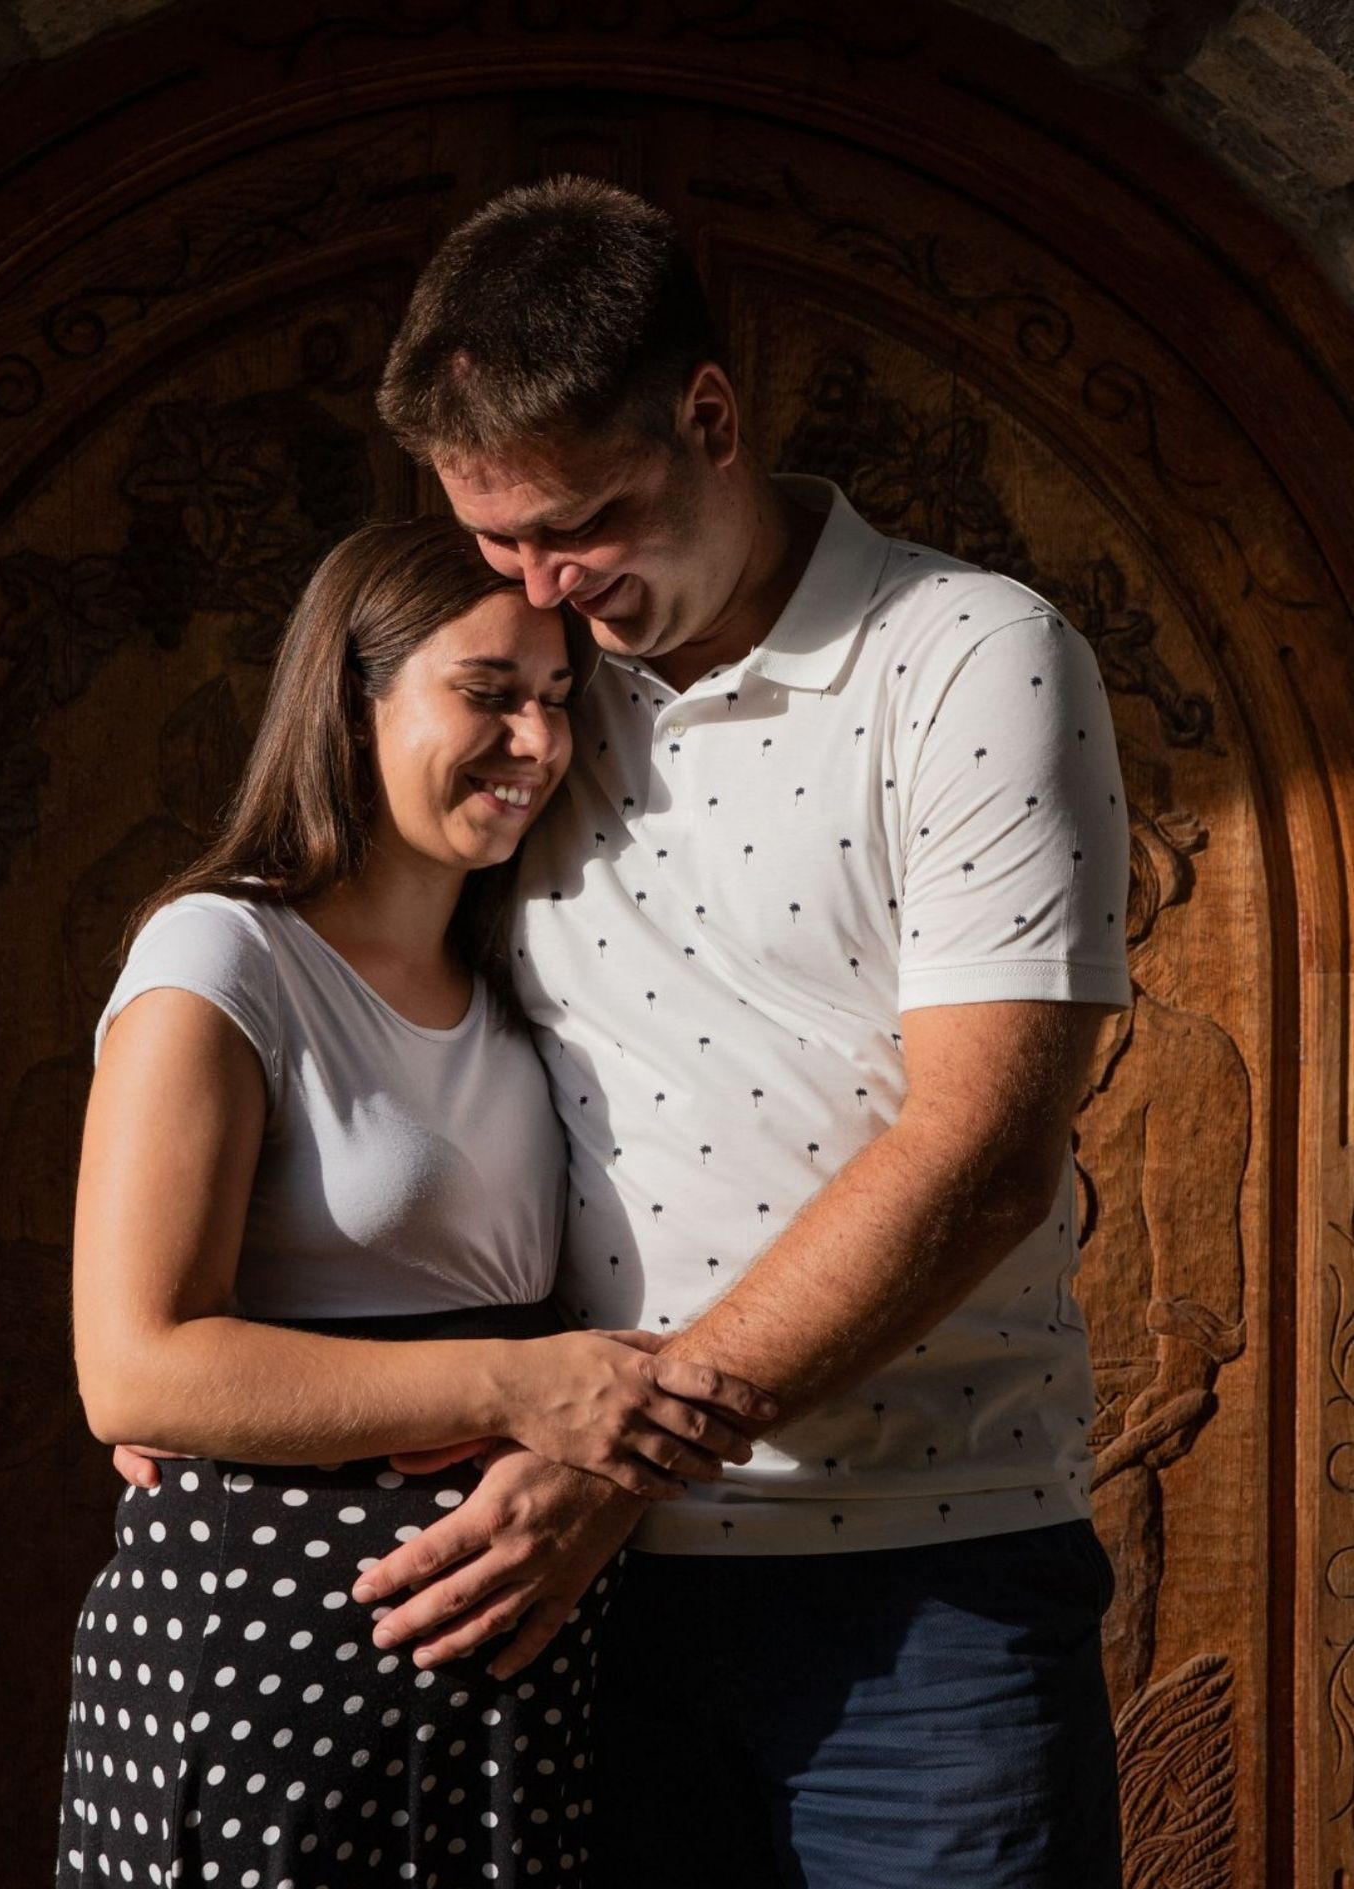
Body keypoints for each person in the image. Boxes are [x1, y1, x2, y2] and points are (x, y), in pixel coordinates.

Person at [346, 179, 1136, 1886]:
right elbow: (341, 988)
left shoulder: (971, 658)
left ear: (709, 416)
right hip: (572, 1593)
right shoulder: (528, 694)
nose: (543, 584)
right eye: (496, 542)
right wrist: (213, 1345)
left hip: (922, 1584)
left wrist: (620, 1462)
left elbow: (982, 1153)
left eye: (580, 523)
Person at [58, 514, 778, 1889]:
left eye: (559, 698)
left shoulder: (521, 970)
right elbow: (135, 1369)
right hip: (270, 1664)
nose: (538, 741)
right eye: (488, 693)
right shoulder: (224, 955)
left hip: (514, 1671)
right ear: (352, 702)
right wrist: (523, 1386)